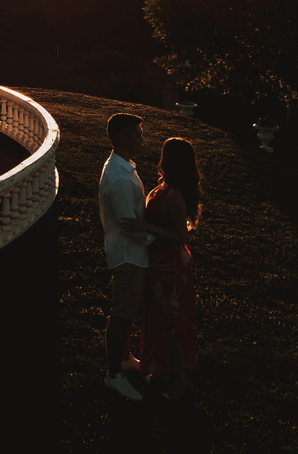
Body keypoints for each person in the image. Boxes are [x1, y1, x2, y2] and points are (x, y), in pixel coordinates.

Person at [122, 136, 202, 401]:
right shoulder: (163, 187)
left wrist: (145, 227)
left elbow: (180, 236)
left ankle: (180, 379)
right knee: (158, 319)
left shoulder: (175, 195)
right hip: (157, 265)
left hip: (172, 268)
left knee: (173, 323)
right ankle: (161, 368)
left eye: (164, 154)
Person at [98, 112, 158, 401]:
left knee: (128, 312)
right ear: (124, 138)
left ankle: (124, 358)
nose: (142, 139)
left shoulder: (123, 167)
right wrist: (154, 239)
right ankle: (114, 376)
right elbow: (129, 226)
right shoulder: (120, 178)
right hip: (128, 255)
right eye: (138, 134)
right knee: (121, 315)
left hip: (133, 254)